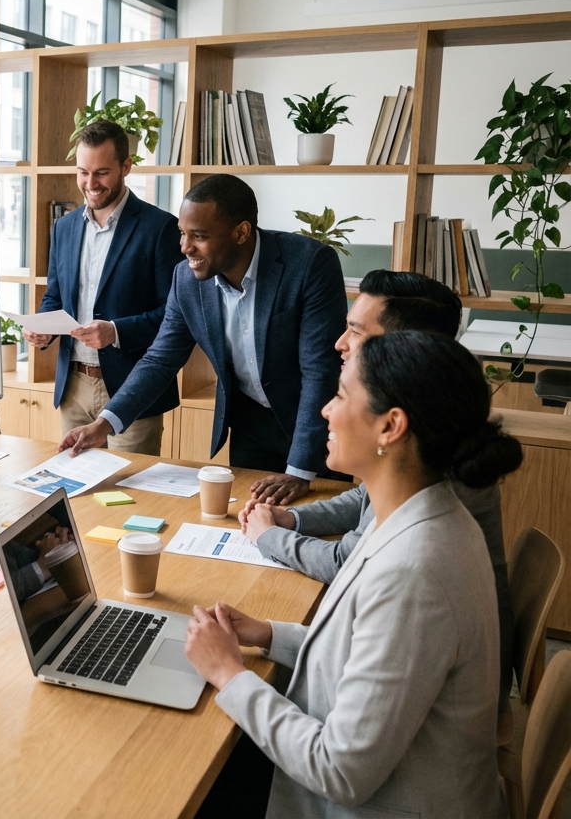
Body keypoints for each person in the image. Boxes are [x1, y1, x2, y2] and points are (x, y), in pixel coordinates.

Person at [185, 331, 521, 818]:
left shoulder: (415, 571)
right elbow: (369, 651)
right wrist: (266, 633)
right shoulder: (426, 514)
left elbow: (340, 771)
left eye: (341, 395)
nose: (325, 410)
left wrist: (227, 674)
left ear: (391, 427)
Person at [241, 269, 516, 712]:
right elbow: (364, 500)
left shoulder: (419, 543)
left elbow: (342, 768)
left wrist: (269, 537)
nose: (340, 344)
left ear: (404, 347)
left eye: (355, 331)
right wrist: (294, 520)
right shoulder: (430, 426)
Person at [60, 173, 348, 504]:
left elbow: (319, 370)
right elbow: (161, 359)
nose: (184, 248)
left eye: (198, 236)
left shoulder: (309, 264)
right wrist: (104, 424)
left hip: (315, 424)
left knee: (316, 526)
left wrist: (299, 471)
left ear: (241, 232)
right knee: (250, 524)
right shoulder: (187, 279)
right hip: (250, 425)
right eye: (183, 234)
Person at [22, 120, 183, 456]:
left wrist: (115, 331)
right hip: (74, 387)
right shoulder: (64, 227)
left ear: (126, 166)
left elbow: (174, 317)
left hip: (133, 387)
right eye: (83, 172)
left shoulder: (160, 228)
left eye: (102, 173)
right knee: (76, 489)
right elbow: (55, 295)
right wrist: (42, 329)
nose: (90, 184)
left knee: (130, 492)